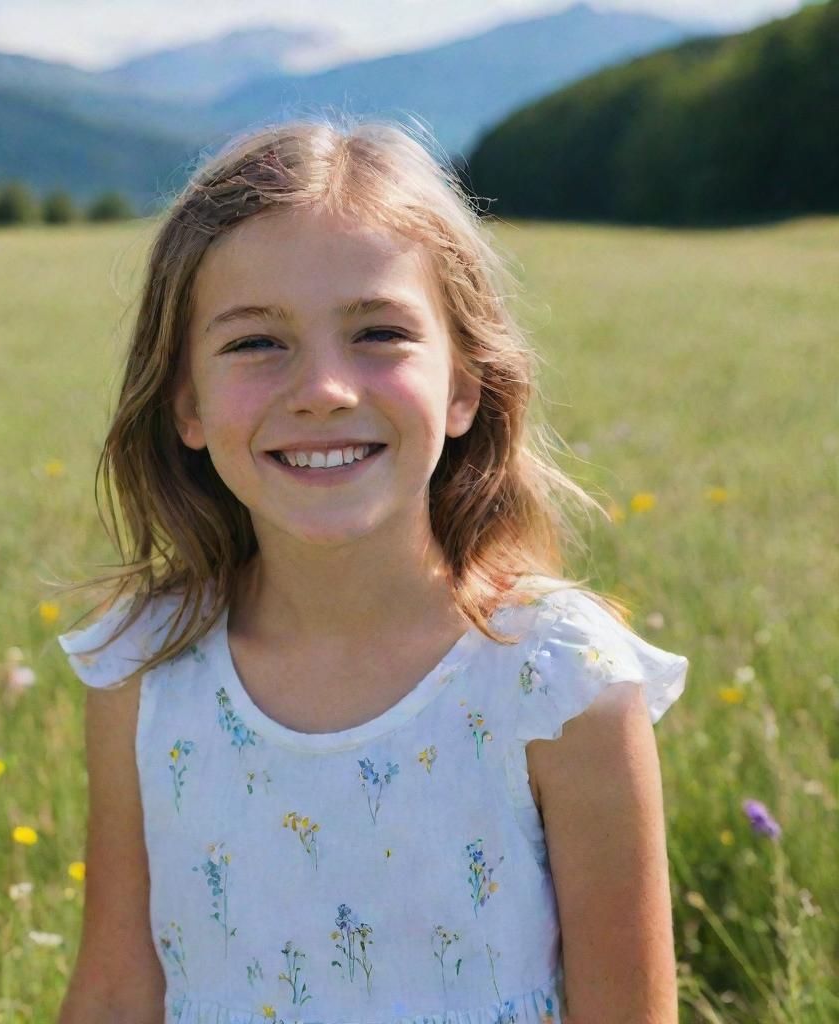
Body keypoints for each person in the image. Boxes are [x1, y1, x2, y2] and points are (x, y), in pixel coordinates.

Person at [54, 115, 689, 1024]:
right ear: (185, 400)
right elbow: (118, 990)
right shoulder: (146, 669)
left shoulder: (560, 681)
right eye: (255, 343)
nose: (323, 390)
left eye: (379, 333)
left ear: (465, 385)